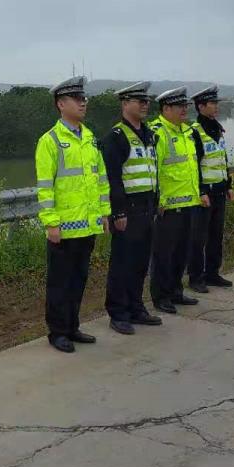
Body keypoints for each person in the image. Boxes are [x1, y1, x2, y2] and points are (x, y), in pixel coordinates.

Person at [35, 75, 111, 353]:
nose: (83, 103)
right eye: (77, 99)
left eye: (84, 99)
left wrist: (104, 213)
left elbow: (101, 180)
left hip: (88, 225)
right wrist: (51, 223)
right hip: (63, 229)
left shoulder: (89, 138)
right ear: (61, 103)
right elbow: (45, 187)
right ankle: (57, 332)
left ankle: (73, 326)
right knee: (59, 283)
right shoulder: (50, 141)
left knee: (79, 279)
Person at [101, 82, 164, 335]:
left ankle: (137, 308)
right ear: (125, 104)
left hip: (147, 209)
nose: (145, 105)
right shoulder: (116, 138)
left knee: (140, 262)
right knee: (122, 263)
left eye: (147, 101)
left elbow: (152, 172)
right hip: (128, 212)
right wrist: (118, 212)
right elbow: (113, 179)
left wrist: (157, 202)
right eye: (139, 100)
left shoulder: (149, 134)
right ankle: (118, 313)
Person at [149, 87, 210, 314]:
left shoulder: (187, 132)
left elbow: (193, 167)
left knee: (182, 252)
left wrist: (198, 194)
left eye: (185, 106)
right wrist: (159, 201)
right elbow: (153, 170)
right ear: (166, 109)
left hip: (189, 203)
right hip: (168, 206)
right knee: (164, 254)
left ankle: (176, 290)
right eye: (179, 106)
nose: (185, 109)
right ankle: (161, 296)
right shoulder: (158, 133)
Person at [187, 84, 234, 291]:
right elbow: (194, 164)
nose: (216, 107)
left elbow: (222, 159)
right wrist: (201, 191)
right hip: (204, 194)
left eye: (216, 103)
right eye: (212, 103)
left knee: (216, 235)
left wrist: (229, 185)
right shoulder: (195, 132)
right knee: (199, 238)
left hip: (219, 191)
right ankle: (196, 277)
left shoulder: (217, 128)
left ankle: (213, 273)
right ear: (200, 106)